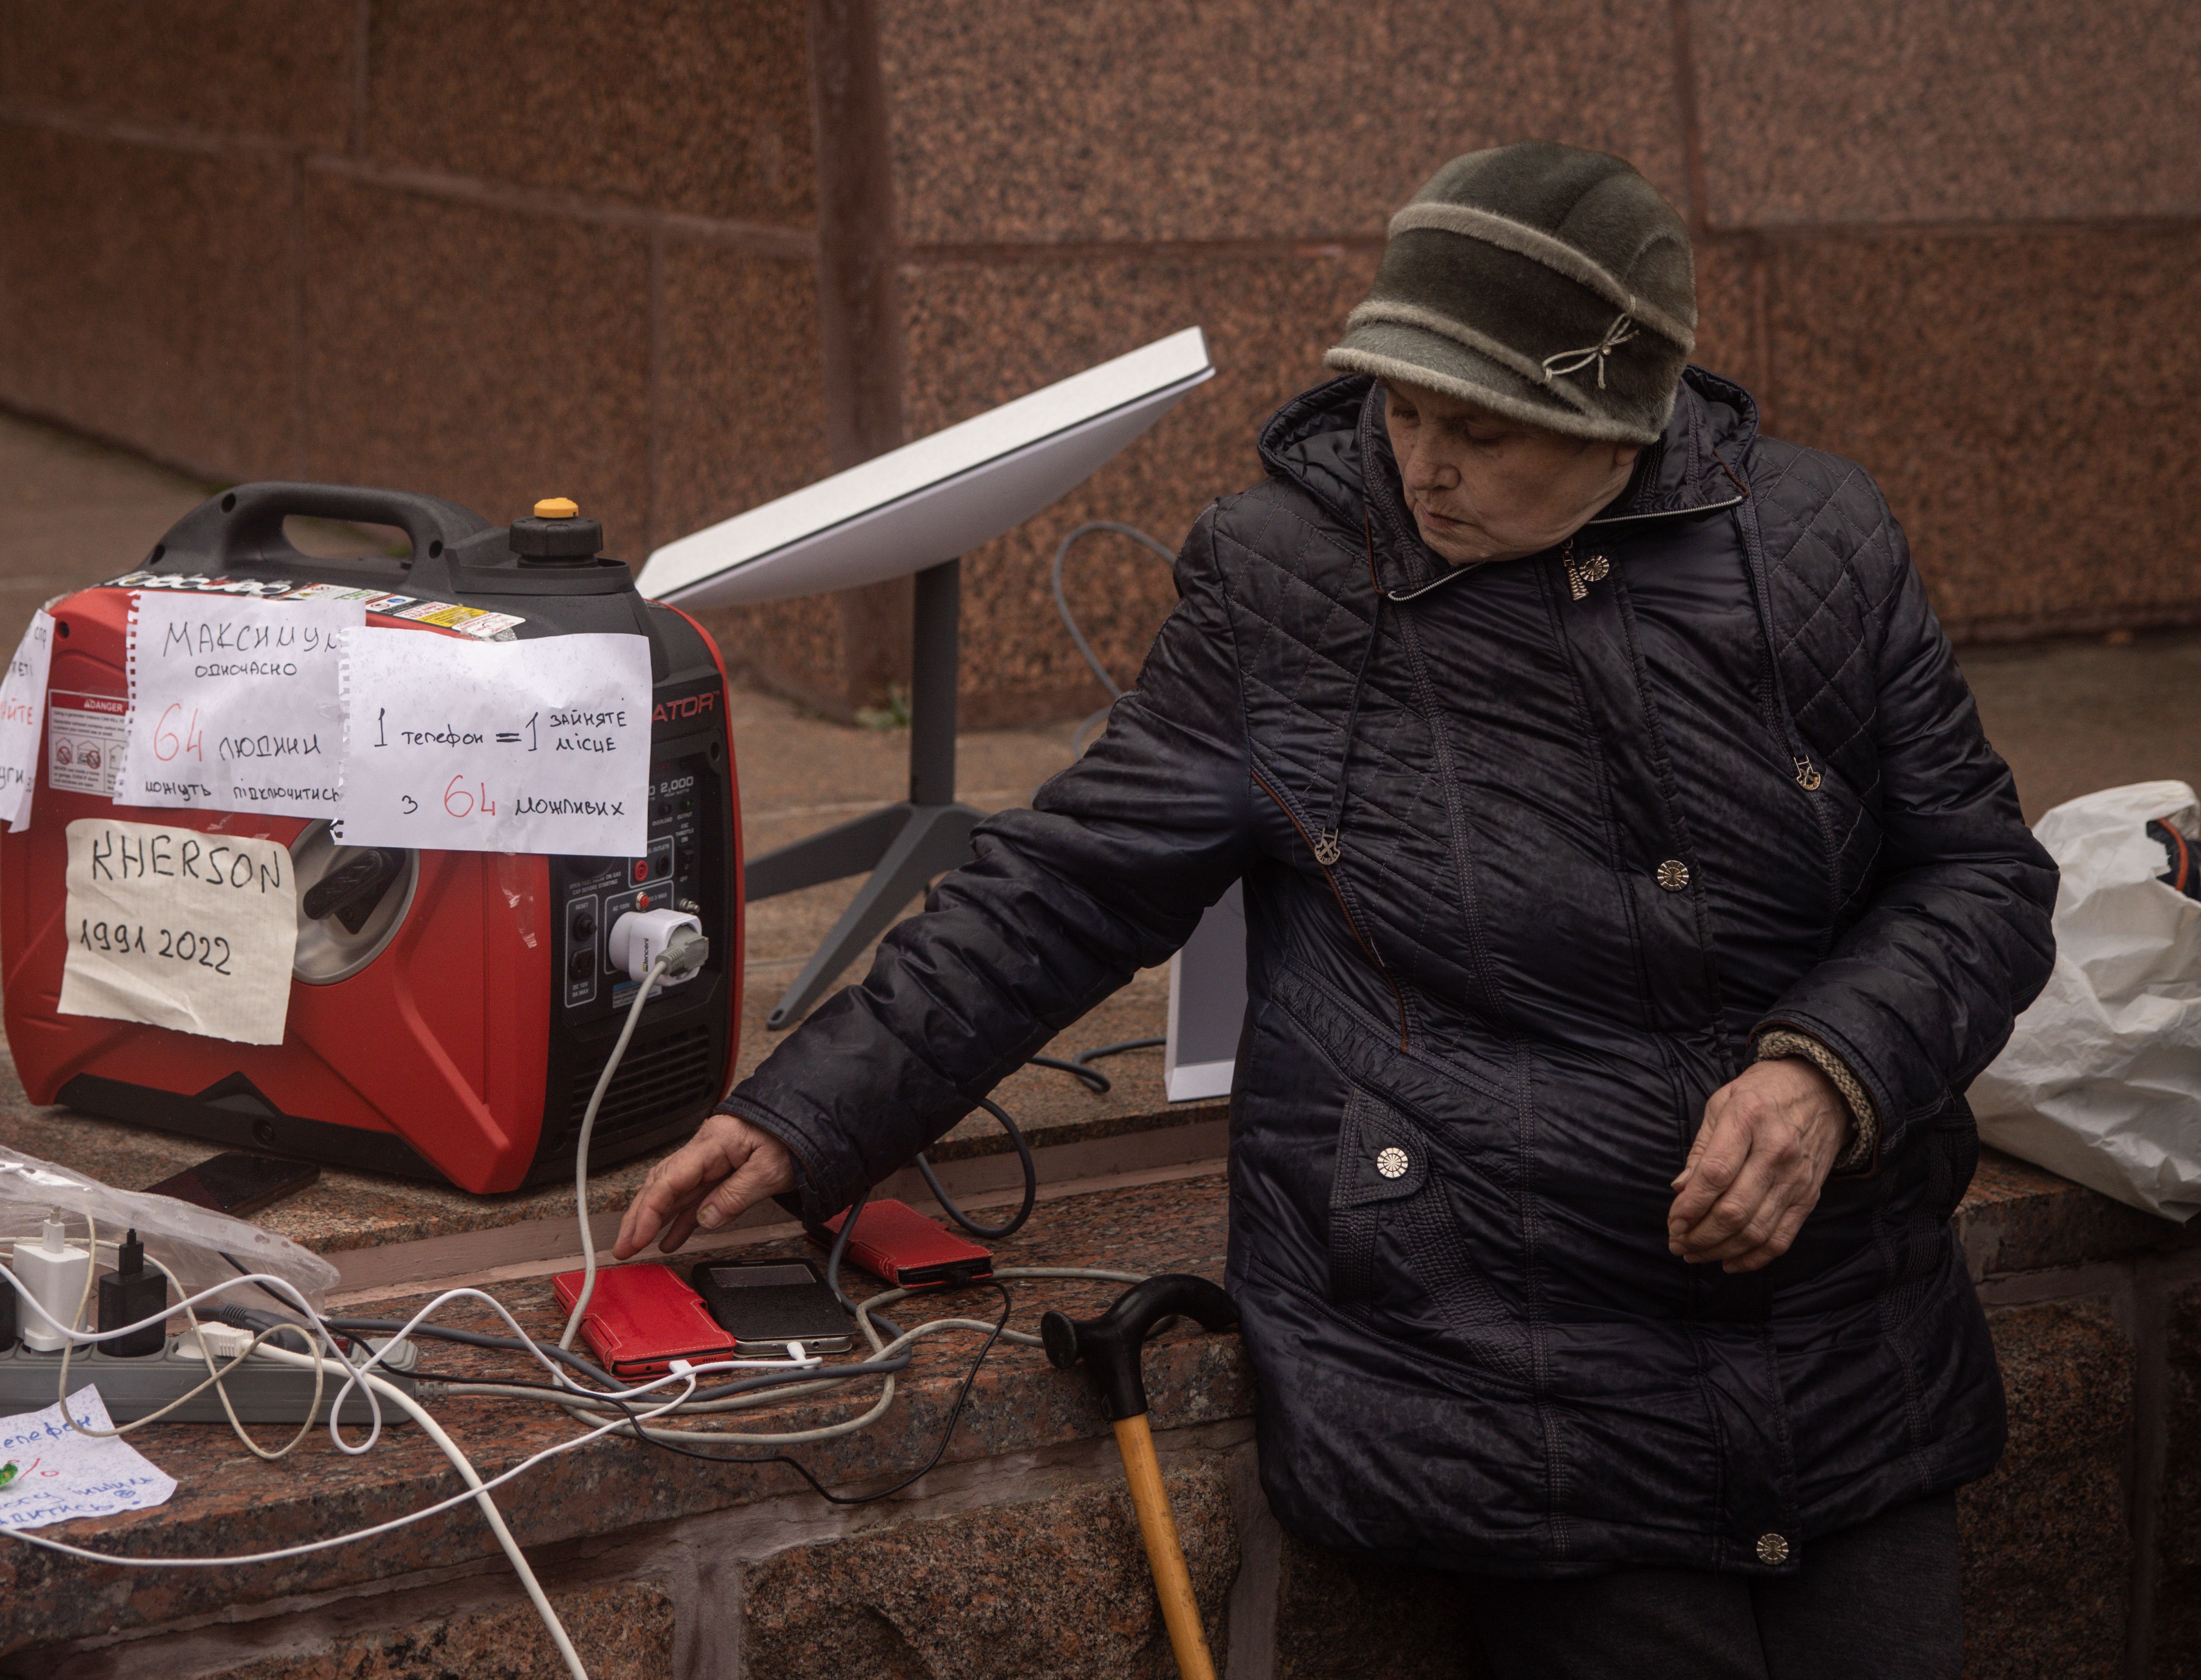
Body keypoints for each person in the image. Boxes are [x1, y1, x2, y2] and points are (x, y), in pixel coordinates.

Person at [616, 141, 2058, 1678]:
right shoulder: (1290, 582)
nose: (1423, 463)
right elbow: (1072, 883)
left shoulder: (1819, 542)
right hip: (1513, 1353)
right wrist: (807, 1114)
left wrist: (1828, 1073)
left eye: (1482, 429)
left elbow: (1983, 875)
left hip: (1846, 1336)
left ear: (1626, 411)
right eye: (1403, 404)